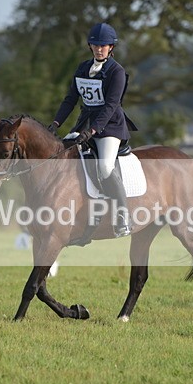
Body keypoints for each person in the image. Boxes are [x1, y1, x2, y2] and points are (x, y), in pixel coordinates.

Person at [50, 22, 137, 237]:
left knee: (105, 167)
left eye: (104, 46)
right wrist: (55, 124)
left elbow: (111, 105)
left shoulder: (117, 72)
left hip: (110, 128)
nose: (99, 49)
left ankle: (123, 216)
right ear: (90, 46)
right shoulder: (82, 68)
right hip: (85, 124)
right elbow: (71, 99)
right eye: (96, 45)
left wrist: (94, 131)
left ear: (111, 47)